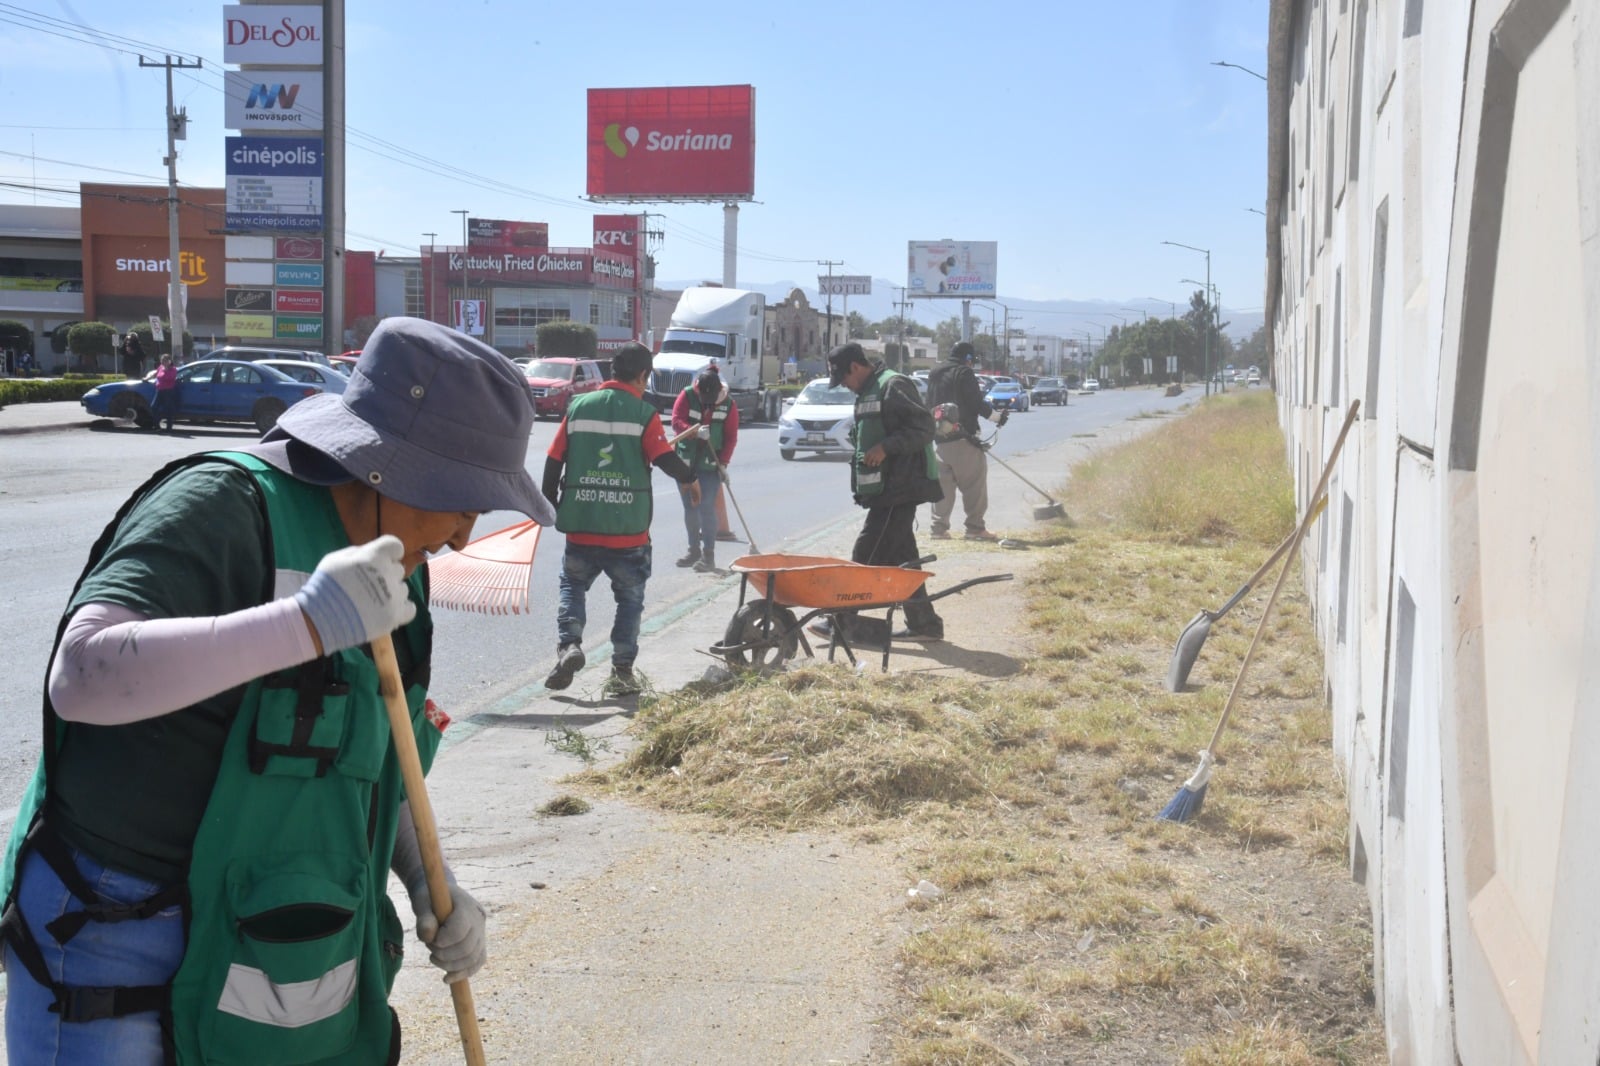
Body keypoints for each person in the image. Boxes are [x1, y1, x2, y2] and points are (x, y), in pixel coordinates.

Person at [0, 317, 553, 1064]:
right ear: (388, 464)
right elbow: (82, 675)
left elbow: (370, 765)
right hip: (118, 942)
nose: (462, 537)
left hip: (274, 950)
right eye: (462, 500)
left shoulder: (398, 582)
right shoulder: (223, 509)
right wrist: (304, 624)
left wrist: (430, 882)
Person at [542, 342, 702, 696]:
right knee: (629, 600)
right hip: (627, 533)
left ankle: (570, 644)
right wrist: (691, 479)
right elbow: (664, 458)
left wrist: (550, 503)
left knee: (573, 586)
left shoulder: (578, 407)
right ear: (643, 375)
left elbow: (554, 459)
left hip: (581, 525)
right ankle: (622, 672)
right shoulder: (643, 414)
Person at [812, 342, 945, 643]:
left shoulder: (893, 385)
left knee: (866, 552)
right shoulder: (867, 391)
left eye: (844, 378)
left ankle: (841, 622)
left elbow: (924, 428)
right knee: (903, 559)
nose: (844, 386)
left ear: (856, 368)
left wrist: (885, 447)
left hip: (901, 488)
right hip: (887, 489)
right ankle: (925, 624)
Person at [926, 341, 1007, 541]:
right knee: (973, 486)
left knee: (943, 488)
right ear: (968, 359)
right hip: (964, 439)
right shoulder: (964, 372)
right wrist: (997, 417)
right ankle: (975, 528)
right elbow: (976, 403)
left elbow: (928, 403)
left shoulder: (935, 373)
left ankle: (938, 530)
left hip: (940, 440)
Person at [671, 364, 739, 573]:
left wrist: (724, 463)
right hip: (685, 463)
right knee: (690, 507)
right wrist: (691, 431)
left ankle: (708, 555)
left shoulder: (728, 405)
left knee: (706, 507)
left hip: (710, 465)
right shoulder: (688, 395)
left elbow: (730, 438)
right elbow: (676, 421)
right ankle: (694, 551)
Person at [151, 353, 180, 432]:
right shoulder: (160, 367)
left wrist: (166, 369)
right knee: (153, 407)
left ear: (169, 361)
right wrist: (147, 378)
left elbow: (170, 378)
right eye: (162, 360)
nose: (163, 362)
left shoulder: (173, 369)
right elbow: (156, 374)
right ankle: (157, 426)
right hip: (159, 390)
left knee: (168, 409)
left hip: (168, 391)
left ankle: (169, 427)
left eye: (165, 361)